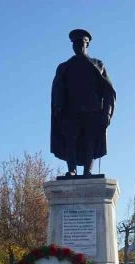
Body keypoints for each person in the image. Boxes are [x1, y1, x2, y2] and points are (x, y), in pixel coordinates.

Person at [50, 28, 116, 177]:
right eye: (74, 44)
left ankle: (88, 170)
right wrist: (58, 107)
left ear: (87, 45)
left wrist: (107, 112)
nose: (77, 46)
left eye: (80, 43)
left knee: (90, 141)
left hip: (92, 111)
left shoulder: (98, 65)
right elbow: (57, 89)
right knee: (70, 141)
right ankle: (71, 170)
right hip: (70, 111)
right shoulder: (64, 67)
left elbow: (108, 91)